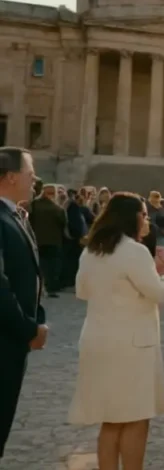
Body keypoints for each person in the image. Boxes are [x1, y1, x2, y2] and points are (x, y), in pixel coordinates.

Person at [68, 193, 164, 470]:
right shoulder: (134, 250)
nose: (147, 220)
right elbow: (158, 292)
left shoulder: (92, 249)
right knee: (136, 418)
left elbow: (82, 290)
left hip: (98, 340)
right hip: (131, 346)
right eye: (144, 214)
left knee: (112, 419)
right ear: (135, 217)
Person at [0, 147, 47, 461]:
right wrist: (28, 327)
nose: (35, 181)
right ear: (12, 177)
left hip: (12, 342)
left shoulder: (13, 214)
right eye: (30, 174)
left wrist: (37, 318)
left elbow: (28, 274)